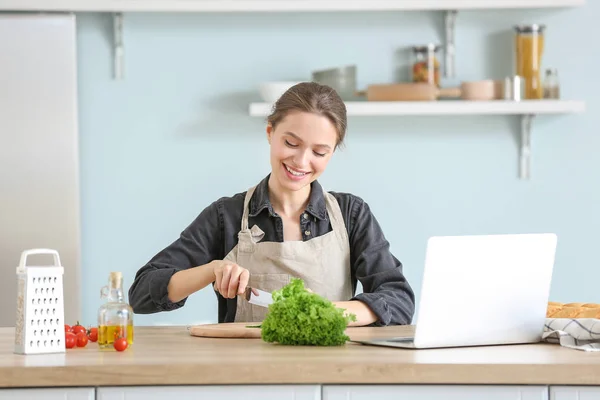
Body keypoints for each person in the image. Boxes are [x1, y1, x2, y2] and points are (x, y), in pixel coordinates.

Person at [128, 82, 415, 326]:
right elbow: (141, 294)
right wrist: (211, 270)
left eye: (319, 151)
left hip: (331, 371)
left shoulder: (351, 215)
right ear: (270, 133)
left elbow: (399, 300)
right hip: (248, 376)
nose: (301, 161)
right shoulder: (225, 216)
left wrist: (326, 313)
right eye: (291, 143)